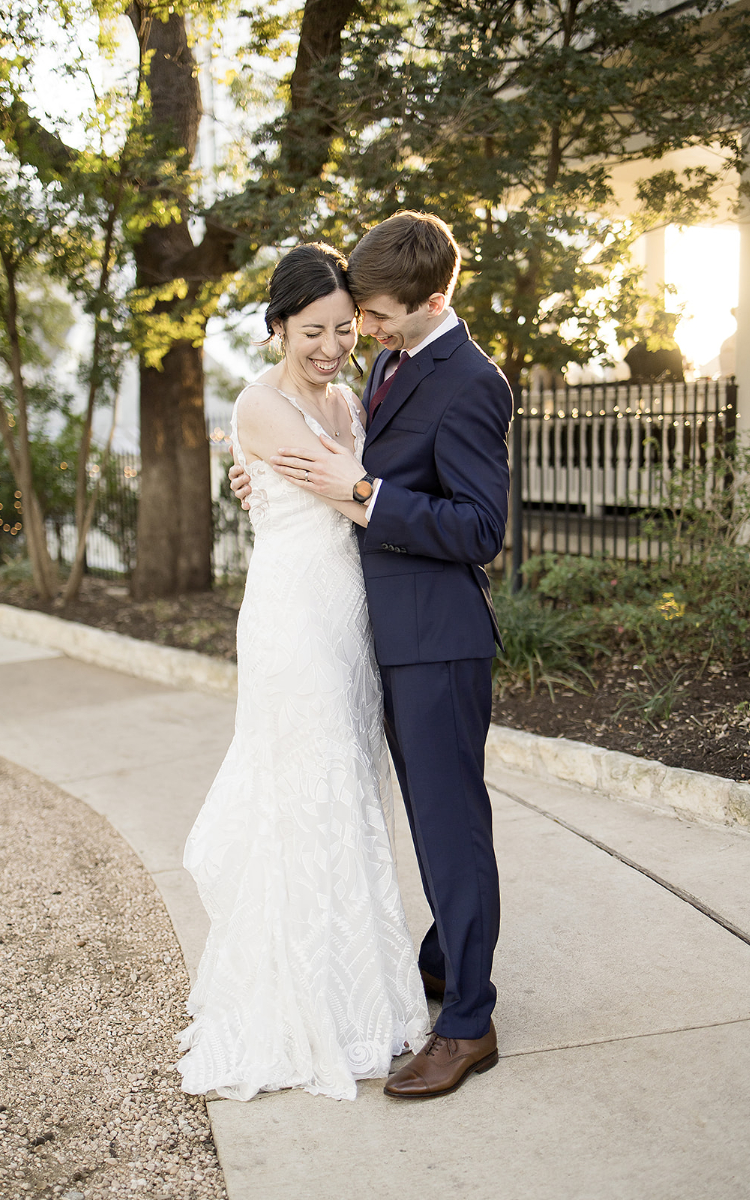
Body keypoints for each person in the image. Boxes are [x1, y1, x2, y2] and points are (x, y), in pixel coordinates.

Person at [232, 211, 513, 1100]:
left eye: (374, 318)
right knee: (418, 819)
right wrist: (257, 479)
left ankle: (469, 1024)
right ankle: (437, 959)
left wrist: (364, 494)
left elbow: (481, 530)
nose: (362, 333)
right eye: (350, 321)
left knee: (450, 828)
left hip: (436, 641)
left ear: (430, 302)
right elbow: (310, 451)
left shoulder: (471, 380)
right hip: (367, 633)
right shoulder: (390, 364)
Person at [177, 243, 429, 1103]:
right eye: (311, 330)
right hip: (293, 624)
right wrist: (333, 481)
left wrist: (364, 481)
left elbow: (366, 485)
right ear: (279, 325)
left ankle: (363, 986)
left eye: (343, 329)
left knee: (350, 789)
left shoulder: (349, 395)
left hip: (350, 619)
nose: (329, 346)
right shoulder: (262, 404)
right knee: (306, 793)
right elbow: (354, 493)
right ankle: (307, 1003)